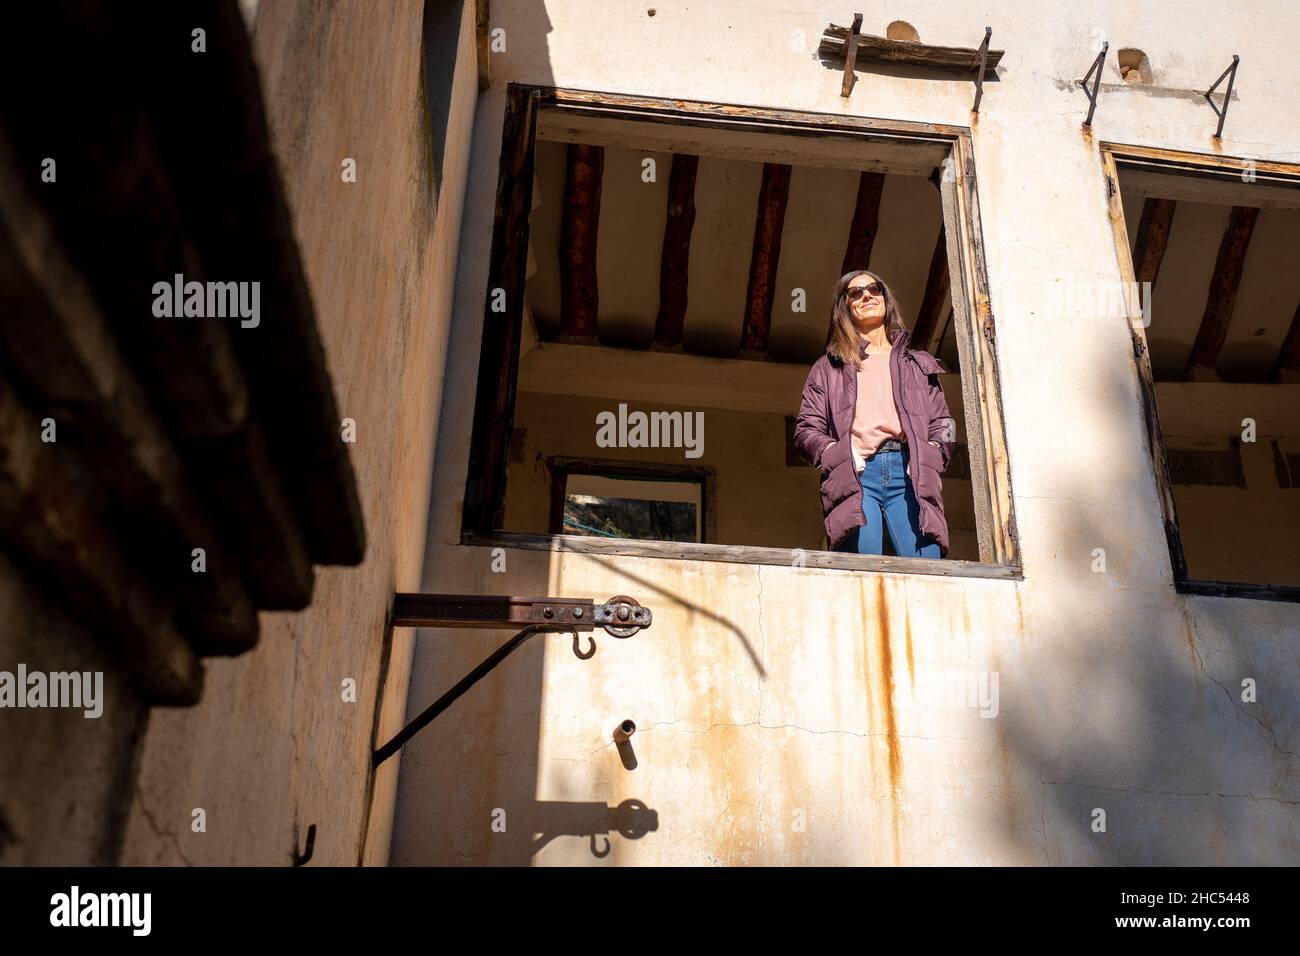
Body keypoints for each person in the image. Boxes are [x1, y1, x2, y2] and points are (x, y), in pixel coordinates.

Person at [794, 270, 955, 558]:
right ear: (845, 307)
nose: (867, 295)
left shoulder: (918, 364)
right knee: (860, 570)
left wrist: (930, 453)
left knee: (928, 570)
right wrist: (837, 452)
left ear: (885, 298)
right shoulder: (829, 367)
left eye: (874, 289)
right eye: (856, 292)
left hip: (909, 474)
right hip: (857, 473)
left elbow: (944, 424)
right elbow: (807, 428)